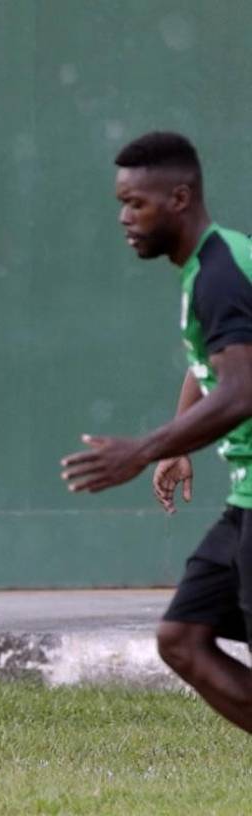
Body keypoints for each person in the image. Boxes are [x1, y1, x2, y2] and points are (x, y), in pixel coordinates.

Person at [62, 131, 252, 734]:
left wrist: (145, 450)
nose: (124, 218)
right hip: (245, 501)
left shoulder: (221, 273)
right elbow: (218, 366)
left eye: (136, 204)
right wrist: (179, 440)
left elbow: (243, 388)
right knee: (182, 635)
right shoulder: (207, 268)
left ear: (179, 197)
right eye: (121, 203)